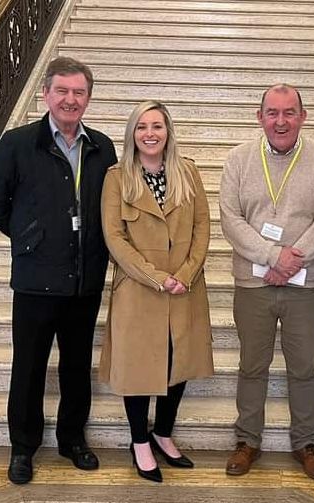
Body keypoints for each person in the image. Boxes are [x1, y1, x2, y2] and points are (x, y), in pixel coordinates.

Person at [0, 57, 117, 485]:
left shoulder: (102, 146)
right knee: (30, 366)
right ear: (46, 94)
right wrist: (29, 238)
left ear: (88, 98)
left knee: (77, 366)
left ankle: (73, 440)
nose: (70, 99)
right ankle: (23, 447)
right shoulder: (17, 143)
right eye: (63, 91)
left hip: (84, 280)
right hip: (36, 280)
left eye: (79, 92)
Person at [220, 84, 314, 480]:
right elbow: (230, 219)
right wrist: (273, 257)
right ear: (260, 117)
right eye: (272, 113)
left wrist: (292, 260)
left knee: (304, 366)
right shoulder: (238, 159)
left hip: (305, 285)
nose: (281, 121)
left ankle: (306, 443)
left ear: (303, 117)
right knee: (251, 365)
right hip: (253, 283)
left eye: (289, 112)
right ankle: (247, 441)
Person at [100, 100, 214, 482]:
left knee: (176, 362)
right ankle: (140, 442)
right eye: (142, 126)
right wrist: (155, 277)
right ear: (132, 133)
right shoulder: (117, 177)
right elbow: (114, 238)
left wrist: (186, 272)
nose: (150, 133)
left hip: (185, 287)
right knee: (138, 367)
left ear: (168, 132)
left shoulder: (188, 173)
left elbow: (202, 227)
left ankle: (163, 433)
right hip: (139, 288)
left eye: (157, 126)